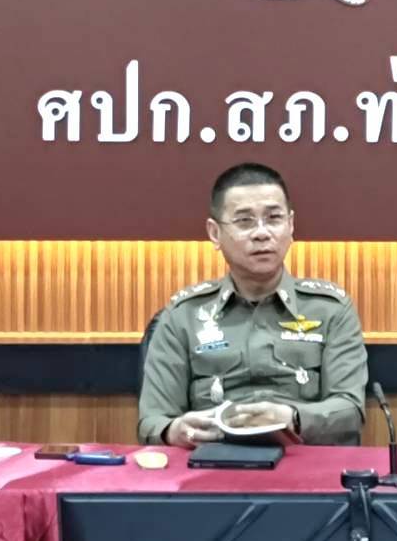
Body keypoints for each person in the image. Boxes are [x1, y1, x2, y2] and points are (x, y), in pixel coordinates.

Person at [138, 163, 368, 447]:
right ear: (214, 233)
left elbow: (350, 410)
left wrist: (293, 417)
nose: (262, 233)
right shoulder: (183, 316)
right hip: (213, 461)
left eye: (274, 218)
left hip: (305, 460)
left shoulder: (330, 310)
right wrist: (174, 430)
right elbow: (153, 420)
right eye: (245, 221)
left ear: (291, 225)